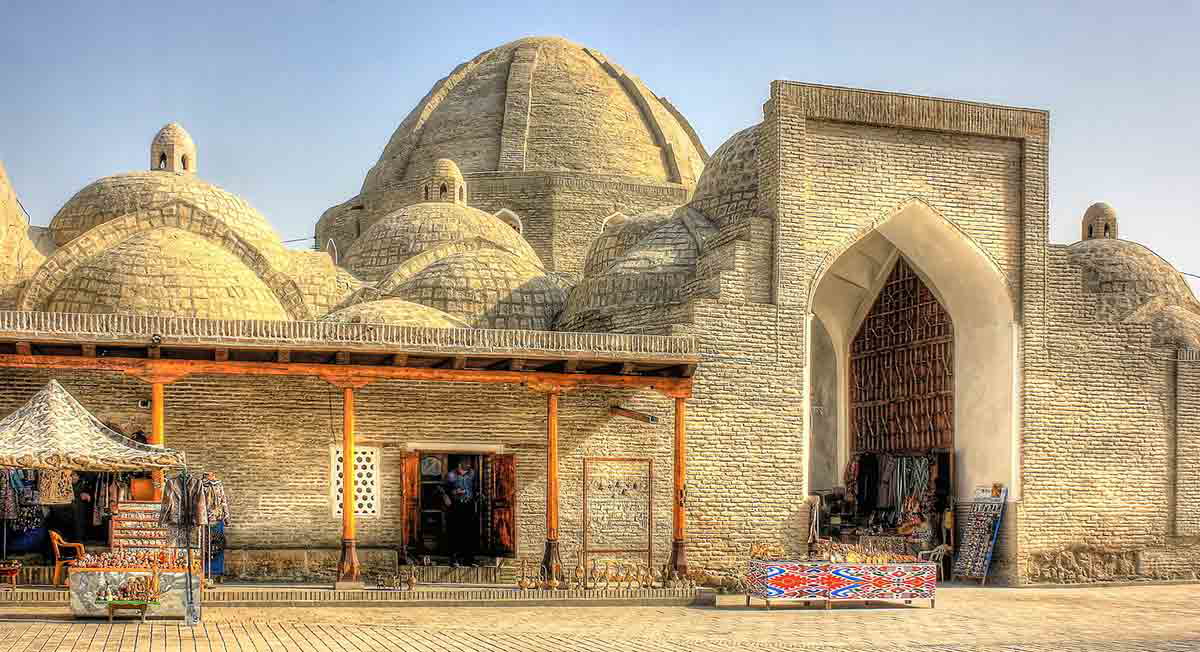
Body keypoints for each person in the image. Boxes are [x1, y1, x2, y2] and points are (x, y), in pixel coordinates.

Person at [443, 459, 478, 567]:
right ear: (458, 466)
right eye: (461, 469)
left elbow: (476, 487)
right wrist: (451, 494)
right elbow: (442, 489)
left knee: (469, 533)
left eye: (466, 470)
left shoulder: (472, 474)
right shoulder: (450, 475)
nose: (463, 472)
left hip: (469, 506)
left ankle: (469, 560)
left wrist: (477, 496)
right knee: (455, 533)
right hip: (455, 506)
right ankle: (454, 560)